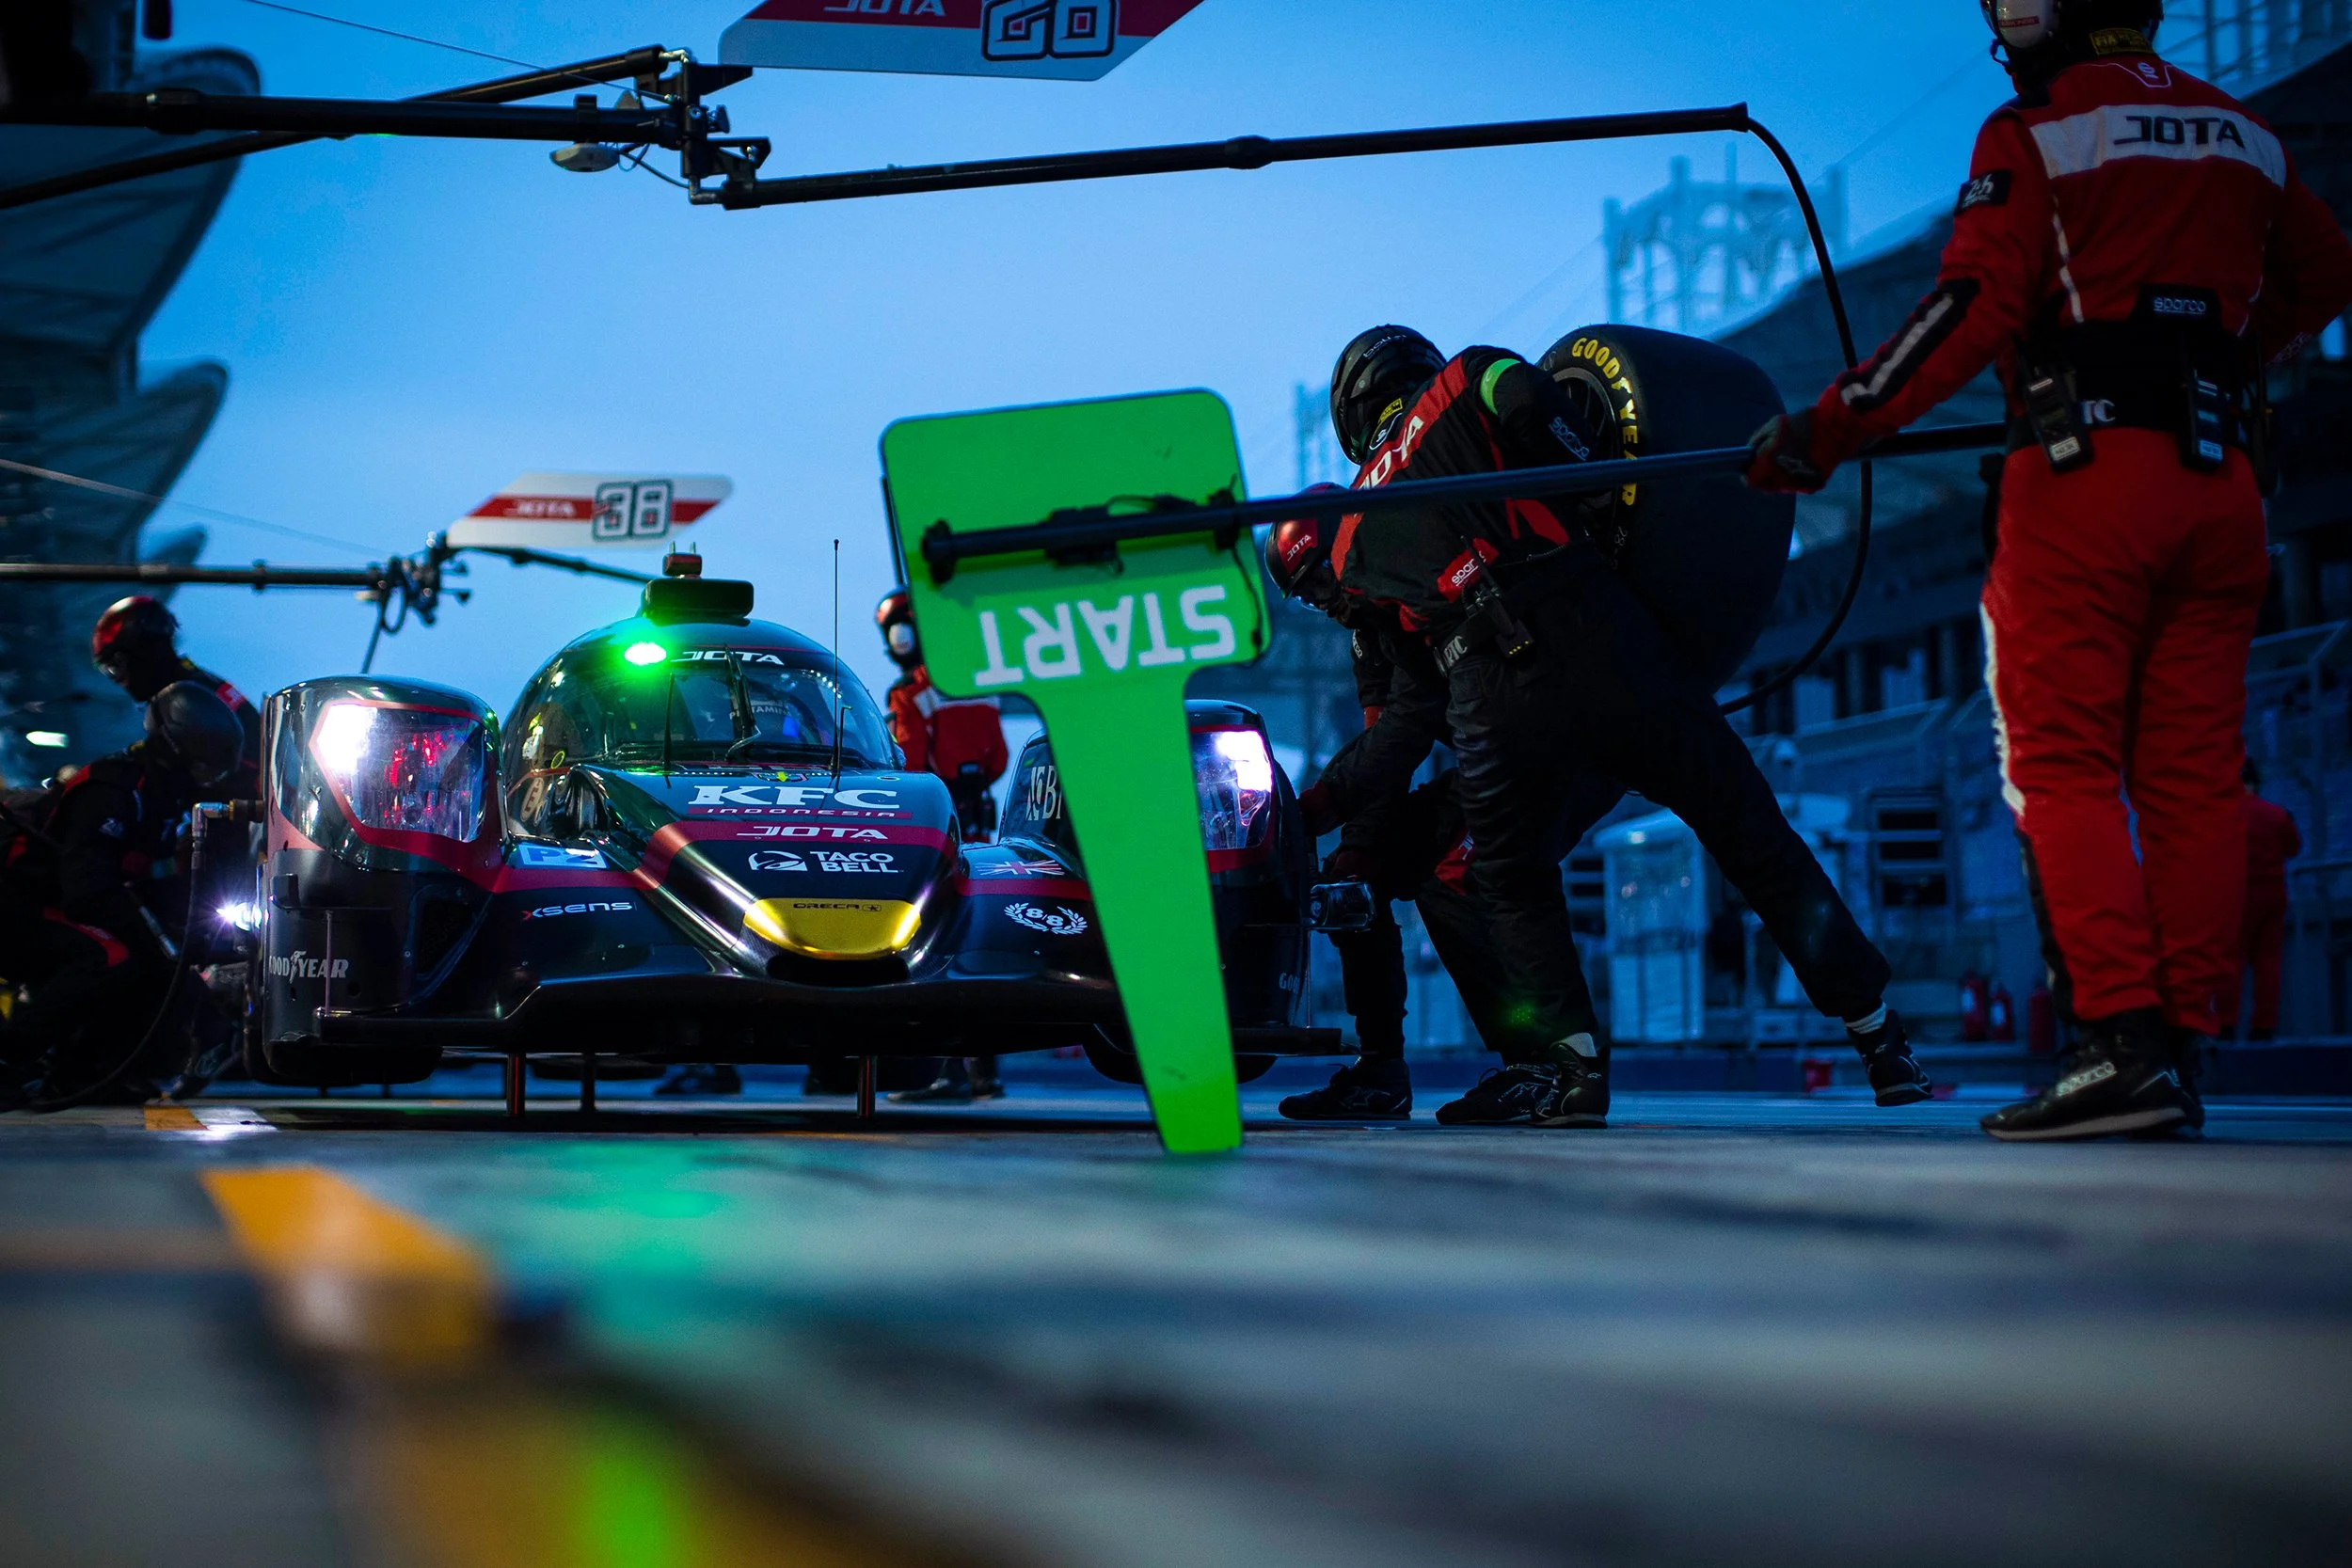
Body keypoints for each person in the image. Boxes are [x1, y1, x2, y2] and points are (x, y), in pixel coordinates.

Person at [1746, 0, 2352, 1141]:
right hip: (2220, 486)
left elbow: (1966, 311)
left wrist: (1821, 432)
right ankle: (2173, 1051)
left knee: (2059, 765)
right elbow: (2323, 273)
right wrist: (2225, 361)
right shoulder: (2245, 136)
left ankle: (2112, 1043)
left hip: (2084, 483)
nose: (2001, 27)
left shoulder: (2033, 131)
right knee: (2191, 779)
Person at [1309, 333, 1930, 1128]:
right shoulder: (1467, 375)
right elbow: (1533, 401)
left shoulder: (1355, 533)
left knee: (1510, 873)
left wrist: (1324, 813)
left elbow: (1411, 696)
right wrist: (1582, 483)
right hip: (1605, 632)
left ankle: (1574, 1071)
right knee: (1747, 830)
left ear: (1354, 419)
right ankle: (1881, 1039)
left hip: (1493, 686)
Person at [1264, 508, 1625, 1123]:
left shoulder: (1404, 580)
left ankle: (1542, 1063)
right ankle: (1379, 1070)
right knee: (1353, 883)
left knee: (1458, 873)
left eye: (1320, 583)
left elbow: (1403, 731)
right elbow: (1383, 741)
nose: (1323, 603)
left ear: (1344, 552)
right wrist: (1355, 847)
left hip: (1558, 741)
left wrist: (1314, 811)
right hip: (1501, 753)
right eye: (1307, 598)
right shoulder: (1369, 629)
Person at [0, 683, 245, 1108]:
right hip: (16, 903)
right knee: (109, 956)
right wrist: (156, 941)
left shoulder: (160, 802)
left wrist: (197, 938)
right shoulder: (112, 791)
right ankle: (7, 1060)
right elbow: (87, 891)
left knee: (154, 962)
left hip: (52, 904)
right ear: (174, 750)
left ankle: (92, 1071)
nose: (204, 781)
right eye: (202, 767)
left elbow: (149, 882)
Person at [876, 588, 1011, 1105]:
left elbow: (909, 767)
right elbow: (997, 758)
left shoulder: (910, 694)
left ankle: (949, 1070)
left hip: (936, 829)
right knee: (976, 932)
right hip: (978, 822)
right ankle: (984, 1072)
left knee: (935, 940)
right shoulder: (978, 685)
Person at [91, 595, 262, 799]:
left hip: (238, 816)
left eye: (114, 667)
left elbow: (234, 772)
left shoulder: (186, 702)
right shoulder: (199, 685)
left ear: (141, 651)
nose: (118, 680)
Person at [2221, 761, 2300, 1042]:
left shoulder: (2226, 816)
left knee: (2232, 963)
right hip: (2273, 895)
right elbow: (2293, 847)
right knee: (2268, 963)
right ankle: (2264, 1026)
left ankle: (2226, 1024)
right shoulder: (2277, 815)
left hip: (2237, 896)